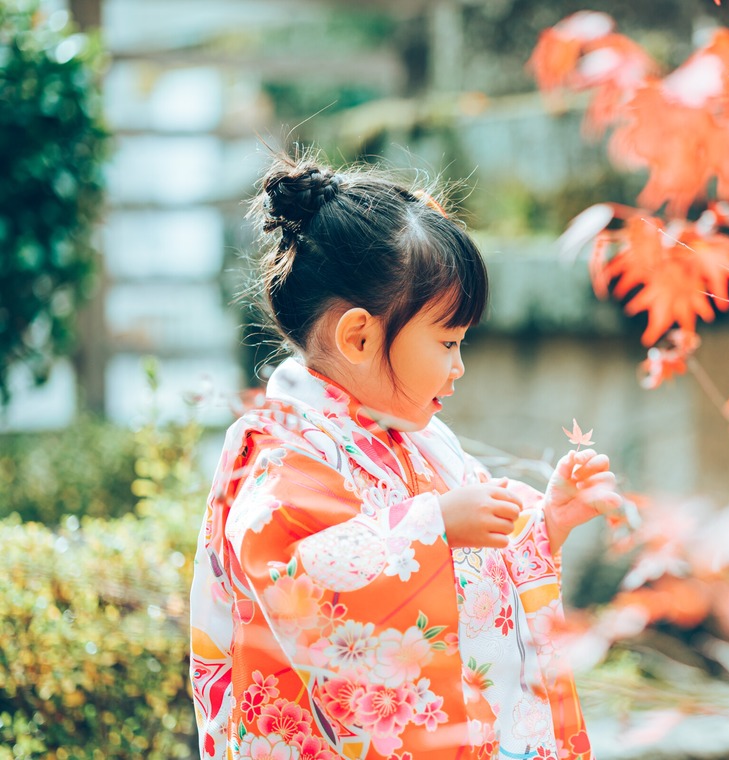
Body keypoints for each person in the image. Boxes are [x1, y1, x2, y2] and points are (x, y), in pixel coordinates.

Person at [189, 153, 622, 760]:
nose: (459, 365)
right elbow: (296, 579)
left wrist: (544, 523)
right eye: (447, 342)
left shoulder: (413, 439)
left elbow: (471, 565)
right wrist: (433, 525)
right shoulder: (281, 451)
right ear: (359, 337)